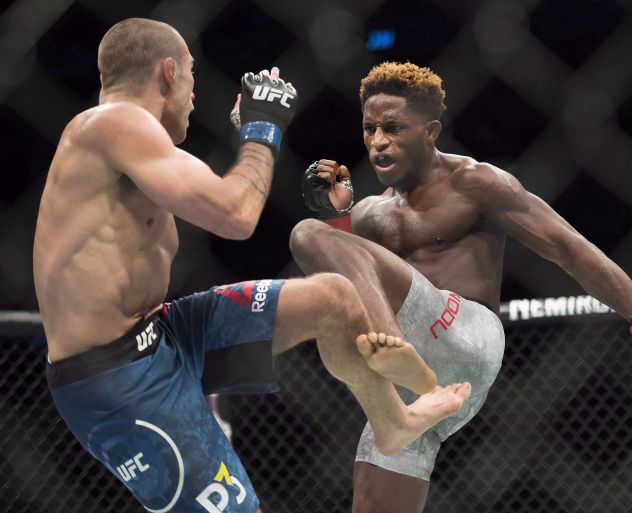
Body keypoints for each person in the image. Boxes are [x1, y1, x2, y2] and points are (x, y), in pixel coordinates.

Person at [33, 23, 472, 513]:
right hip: (116, 376)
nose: (196, 94)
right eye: (193, 77)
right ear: (169, 72)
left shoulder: (131, 146)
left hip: (166, 334)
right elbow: (236, 215)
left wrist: (251, 131)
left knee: (333, 298)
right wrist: (262, 128)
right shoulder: (114, 123)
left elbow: (221, 195)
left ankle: (393, 423)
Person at [290, 61, 632, 513]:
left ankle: (393, 354)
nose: (377, 142)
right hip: (419, 390)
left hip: (464, 331)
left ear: (431, 131)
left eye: (393, 128)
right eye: (369, 129)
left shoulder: (474, 182)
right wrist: (337, 216)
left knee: (307, 234)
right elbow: (345, 281)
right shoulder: (368, 212)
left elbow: (569, 248)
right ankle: (399, 381)